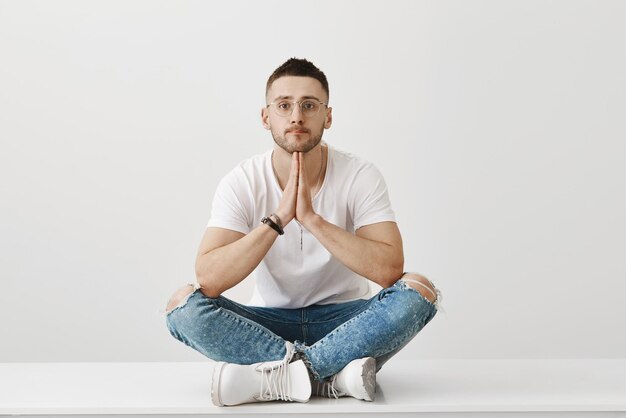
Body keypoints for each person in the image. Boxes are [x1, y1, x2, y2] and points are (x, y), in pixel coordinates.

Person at [164, 58, 442, 406]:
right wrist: (278, 219)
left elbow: (389, 271)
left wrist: (312, 219)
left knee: (419, 291)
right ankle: (332, 377)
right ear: (266, 118)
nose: (296, 116)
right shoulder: (242, 180)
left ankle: (277, 378)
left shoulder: (360, 174)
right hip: (266, 324)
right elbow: (210, 278)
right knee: (182, 306)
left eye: (309, 105)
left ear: (327, 116)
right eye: (284, 105)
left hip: (346, 323)